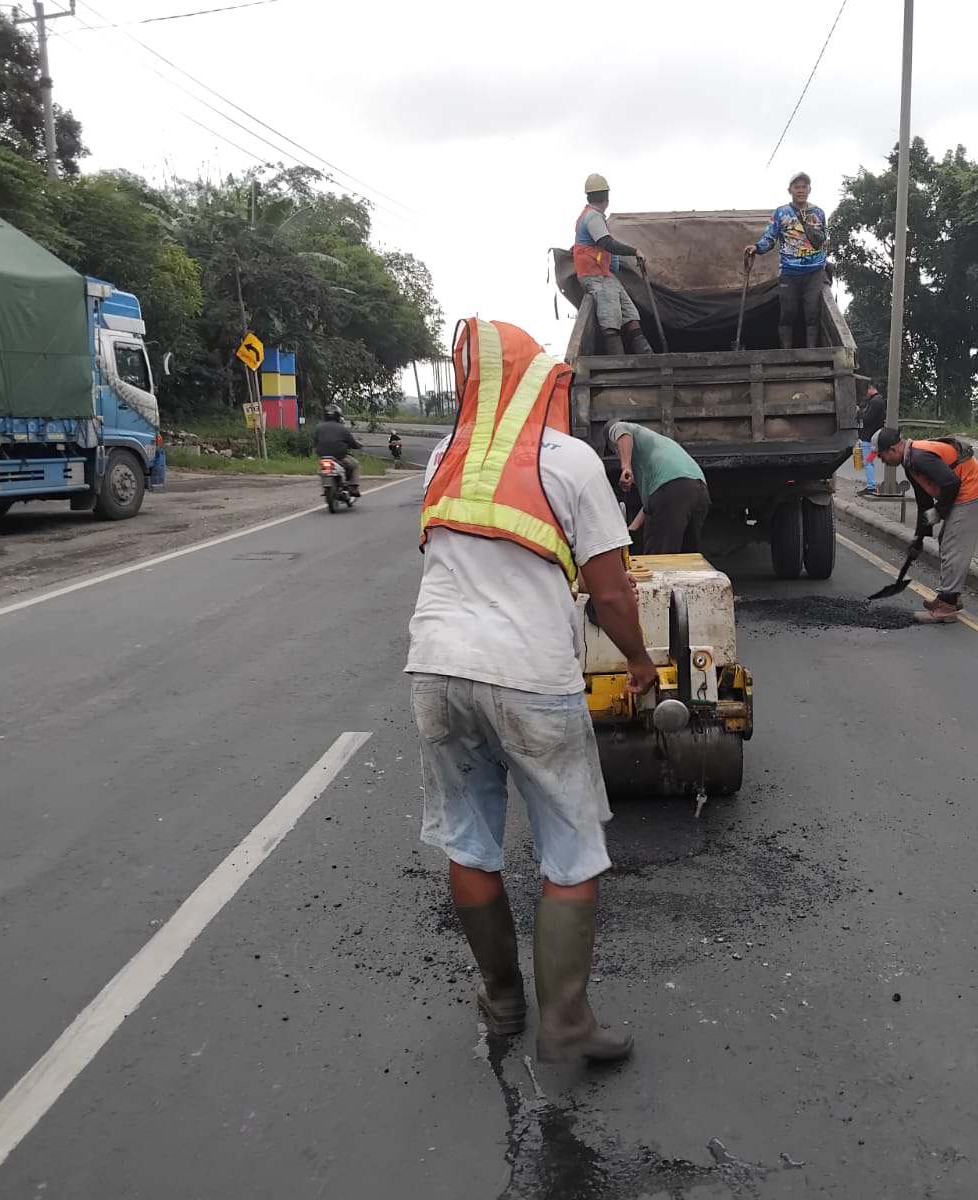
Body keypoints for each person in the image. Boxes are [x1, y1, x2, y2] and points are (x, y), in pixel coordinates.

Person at [409, 316, 657, 1064]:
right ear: (539, 383)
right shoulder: (573, 461)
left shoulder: (442, 456)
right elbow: (611, 594)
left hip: (435, 668)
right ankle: (566, 1024)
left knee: (470, 841)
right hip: (529, 677)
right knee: (572, 853)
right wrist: (640, 664)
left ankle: (503, 1002)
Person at [868, 428, 978, 624]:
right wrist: (919, 538)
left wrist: (939, 512)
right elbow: (924, 503)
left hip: (973, 490)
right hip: (961, 492)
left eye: (881, 456)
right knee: (946, 540)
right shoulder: (910, 464)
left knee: (954, 546)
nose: (881, 461)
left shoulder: (919, 458)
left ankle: (947, 606)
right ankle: (951, 595)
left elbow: (951, 483)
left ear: (892, 449)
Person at [743, 171, 828, 350]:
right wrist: (757, 248)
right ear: (790, 190)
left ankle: (812, 352)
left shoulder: (818, 213)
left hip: (814, 271)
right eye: (797, 187)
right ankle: (786, 352)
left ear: (809, 190)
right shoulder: (781, 213)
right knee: (788, 313)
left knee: (812, 313)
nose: (801, 190)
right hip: (789, 271)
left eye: (804, 187)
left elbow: (823, 240)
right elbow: (770, 237)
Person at [574, 173, 653, 355]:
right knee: (610, 317)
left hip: (604, 275)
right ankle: (618, 361)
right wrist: (634, 251)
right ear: (606, 197)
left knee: (629, 313)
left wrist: (616, 263)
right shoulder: (592, 217)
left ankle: (647, 356)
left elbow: (607, 252)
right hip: (594, 277)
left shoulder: (596, 219)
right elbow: (606, 243)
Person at [605, 419, 710, 555]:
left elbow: (622, 432)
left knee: (659, 558)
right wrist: (631, 530)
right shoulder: (655, 448)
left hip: (673, 491)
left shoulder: (620, 428)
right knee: (687, 558)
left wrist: (626, 467)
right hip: (699, 490)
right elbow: (651, 504)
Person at [313, 404, 362, 493]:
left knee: (320, 470)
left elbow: (315, 442)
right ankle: (354, 487)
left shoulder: (318, 427)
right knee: (355, 465)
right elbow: (352, 442)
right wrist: (357, 446)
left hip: (323, 457)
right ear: (338, 415)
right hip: (340, 457)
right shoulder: (342, 428)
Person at [857, 382, 887, 496]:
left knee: (868, 462)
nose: (866, 393)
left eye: (867, 390)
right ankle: (871, 485)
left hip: (869, 438)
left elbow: (867, 418)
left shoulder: (875, 402)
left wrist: (859, 413)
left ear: (871, 389)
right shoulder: (879, 401)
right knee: (870, 461)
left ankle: (871, 486)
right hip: (874, 438)